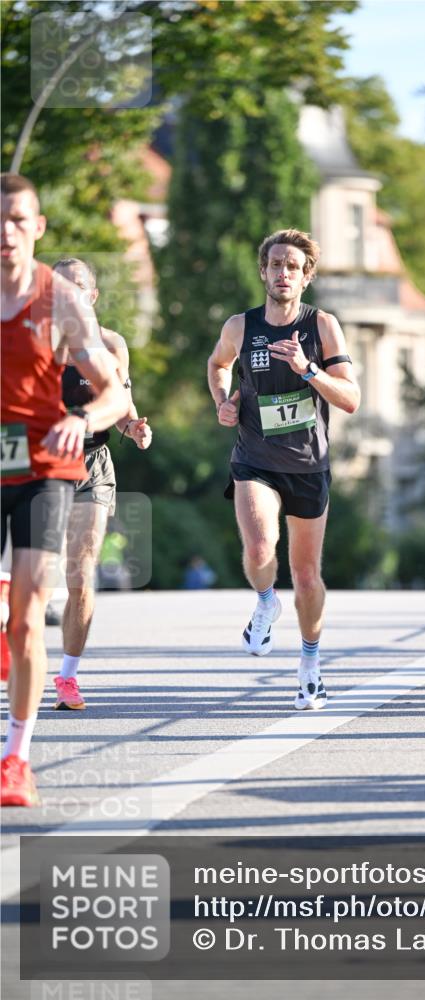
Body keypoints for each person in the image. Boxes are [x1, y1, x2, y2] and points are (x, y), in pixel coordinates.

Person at [1, 173, 127, 806]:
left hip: (47, 465)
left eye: (18, 220)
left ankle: (16, 759)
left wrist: (84, 418)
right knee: (13, 611)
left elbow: (113, 392)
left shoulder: (62, 302)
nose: (6, 232)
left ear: (38, 228)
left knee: (28, 617)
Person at [207, 229, 359, 710]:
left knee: (308, 575)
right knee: (257, 548)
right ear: (263, 271)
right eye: (276, 265)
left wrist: (308, 370)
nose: (283, 273)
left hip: (309, 466)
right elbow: (217, 364)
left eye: (293, 266)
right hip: (254, 459)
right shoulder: (241, 326)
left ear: (306, 276)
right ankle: (266, 599)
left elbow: (351, 398)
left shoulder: (322, 327)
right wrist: (222, 402)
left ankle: (310, 666)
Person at [52, 257, 152, 711]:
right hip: (39, 466)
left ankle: (68, 677)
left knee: (81, 571)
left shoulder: (112, 345)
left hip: (92, 463)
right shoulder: (32, 342)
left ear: (92, 296)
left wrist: (133, 428)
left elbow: (122, 401)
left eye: (78, 287)